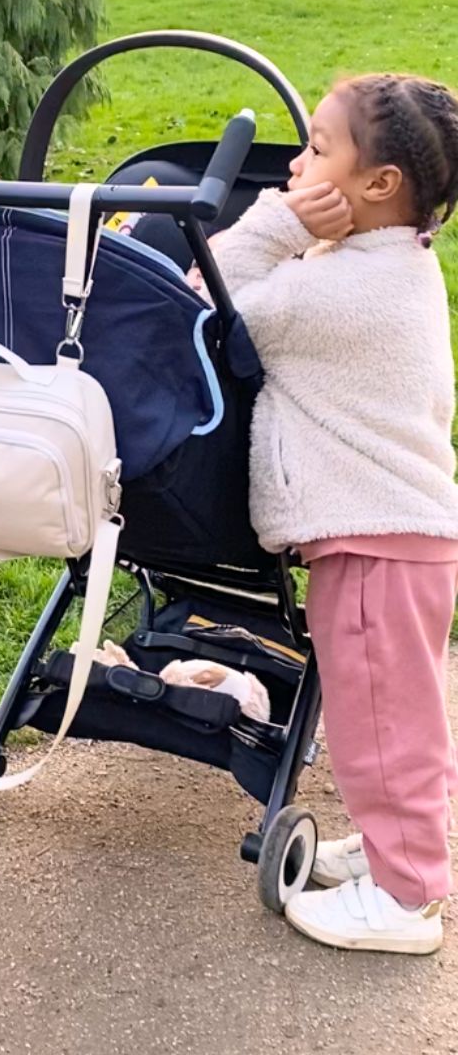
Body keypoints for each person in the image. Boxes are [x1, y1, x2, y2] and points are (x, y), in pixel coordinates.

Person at [208, 74, 458, 954]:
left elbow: (216, 301)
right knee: (383, 719)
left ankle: (406, 901)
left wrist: (279, 223)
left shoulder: (336, 291)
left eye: (317, 148)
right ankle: (400, 855)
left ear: (378, 185)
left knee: (386, 728)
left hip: (374, 535)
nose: (294, 163)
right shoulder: (388, 266)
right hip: (394, 532)